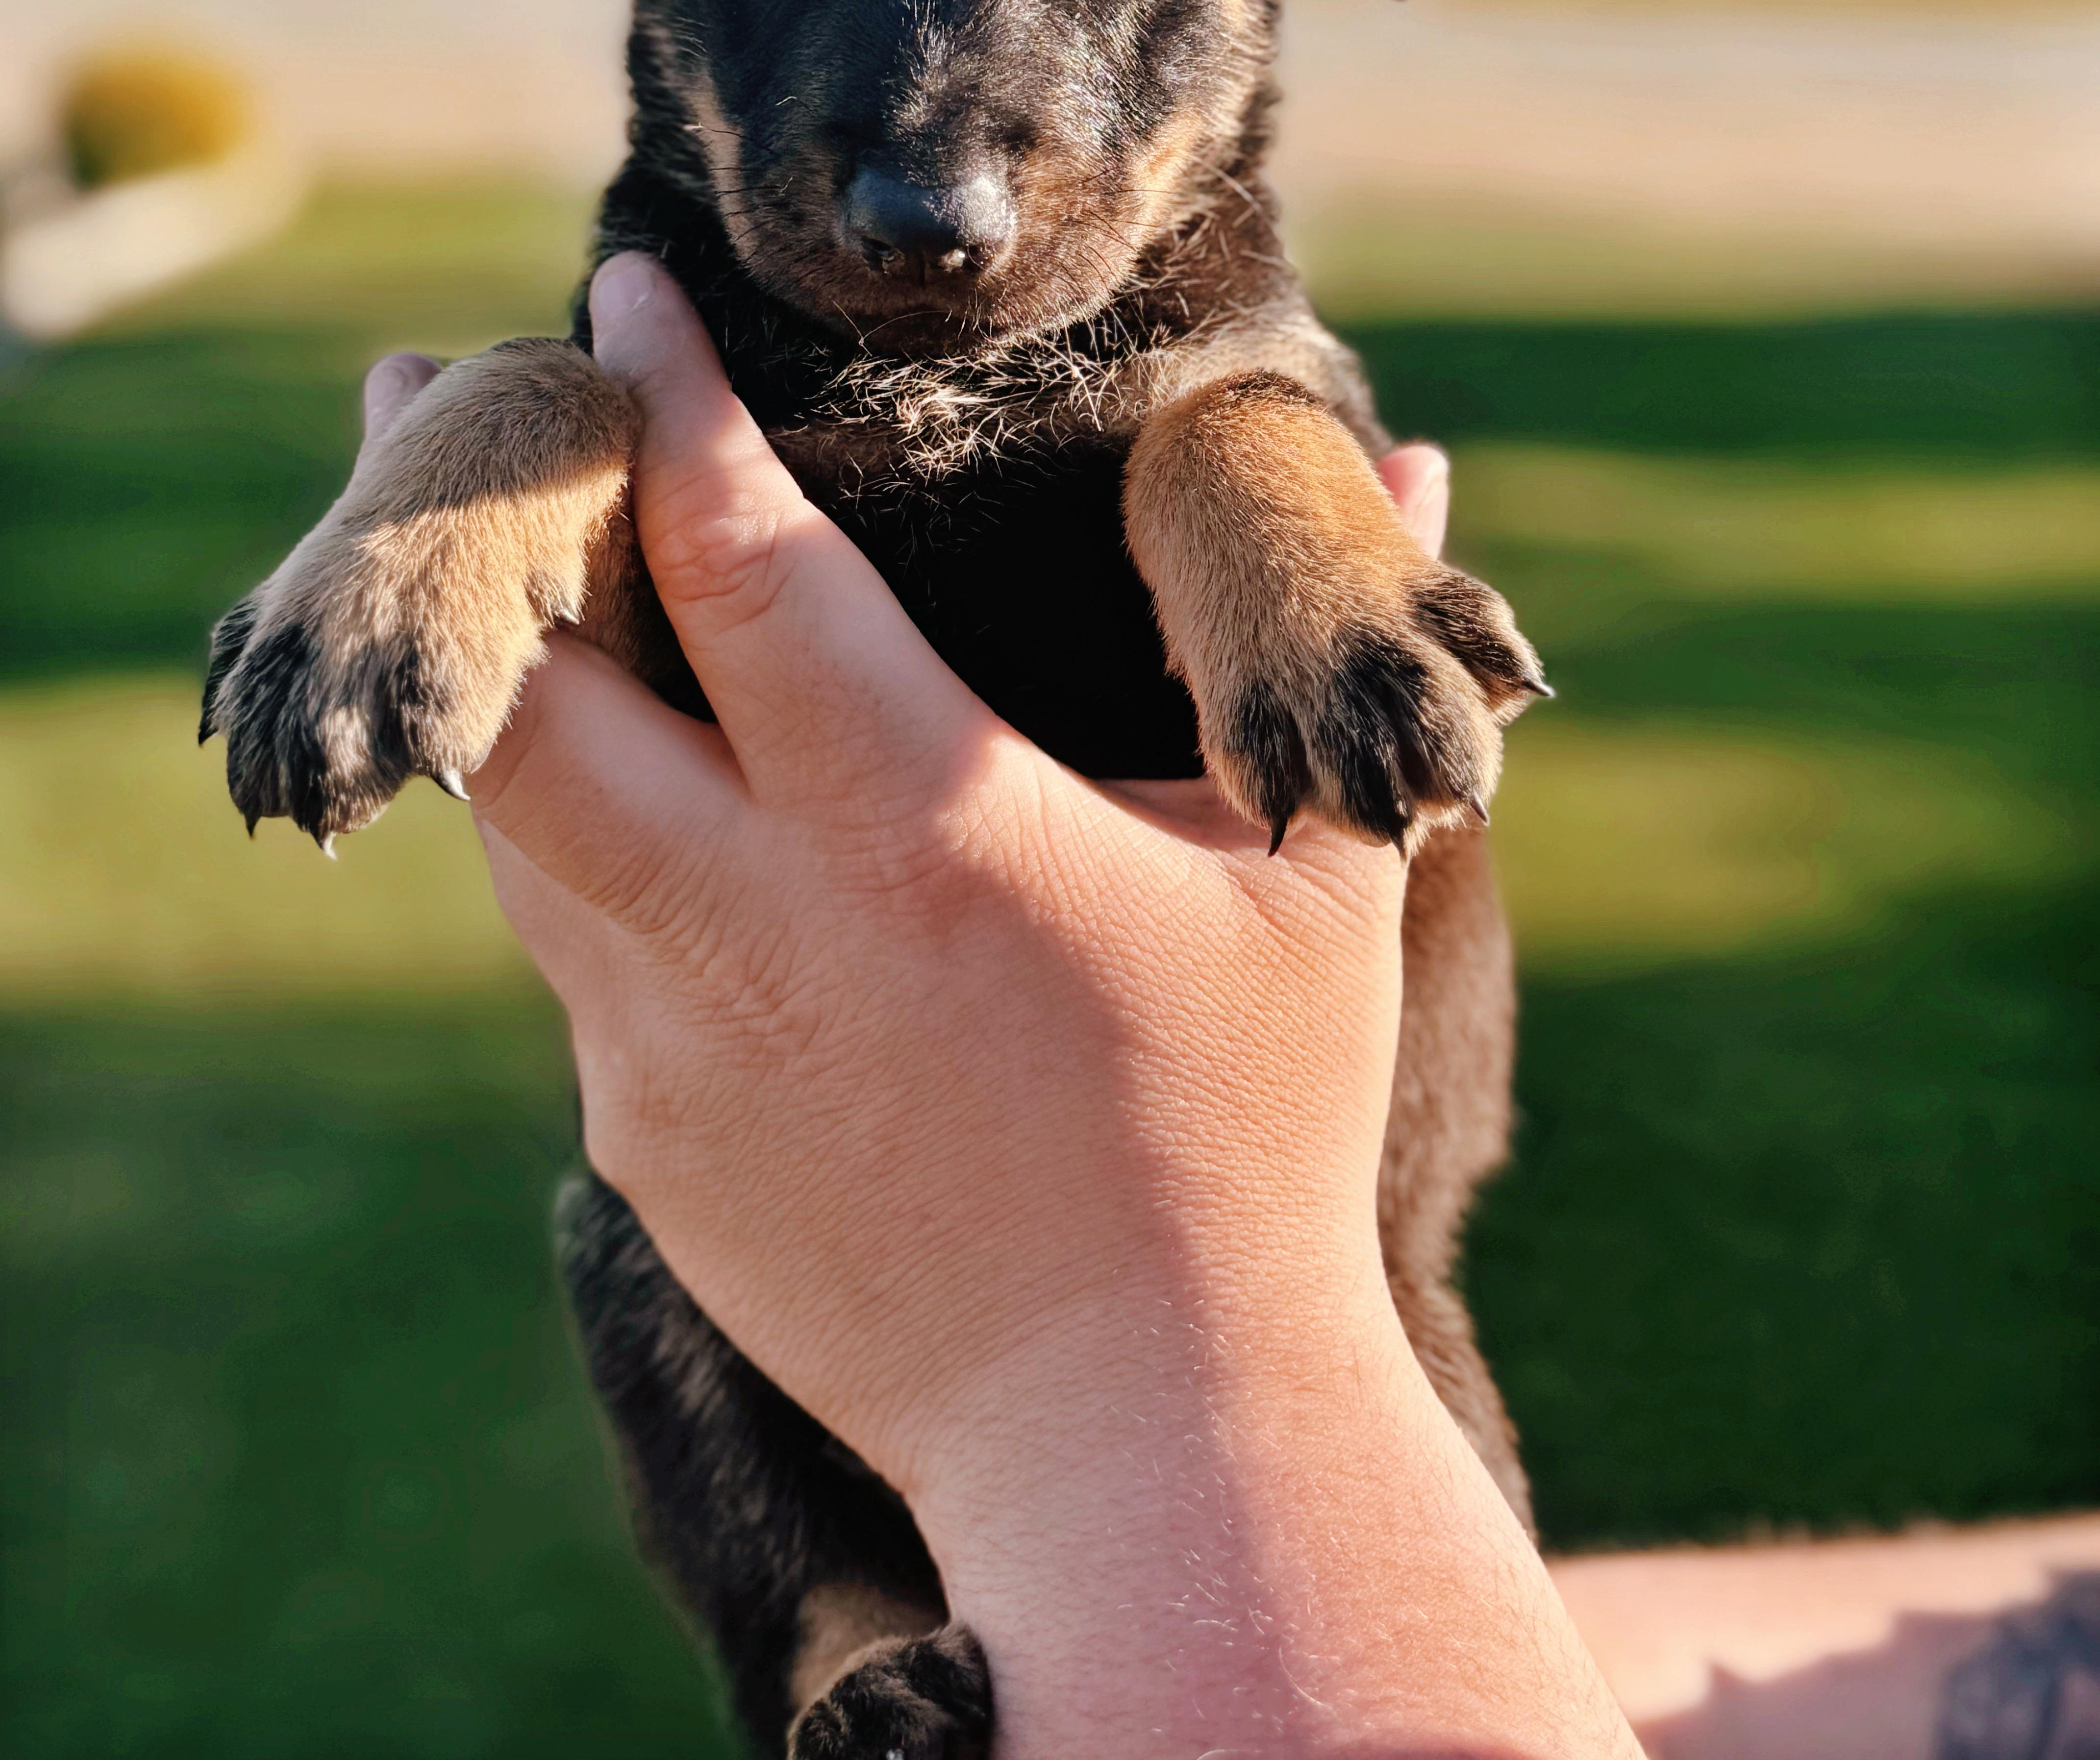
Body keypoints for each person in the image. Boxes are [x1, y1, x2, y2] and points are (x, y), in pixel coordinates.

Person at [356, 258, 2099, 1759]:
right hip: (1074, 1491)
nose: (935, 168)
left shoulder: (1225, 371)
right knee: (633, 1277)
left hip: (1340, 1289)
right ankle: (841, 1646)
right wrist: (510, 442)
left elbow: (1255, 396)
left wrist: (1123, 1342)